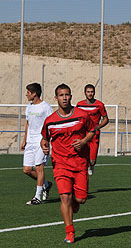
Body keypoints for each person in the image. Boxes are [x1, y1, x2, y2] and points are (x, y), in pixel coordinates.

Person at [41, 83, 97, 244]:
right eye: (61, 95)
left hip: (79, 164)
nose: (64, 98)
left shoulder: (82, 115)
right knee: (65, 197)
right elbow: (45, 139)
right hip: (60, 165)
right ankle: (70, 232)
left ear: (71, 96)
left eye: (67, 95)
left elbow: (93, 130)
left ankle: (75, 202)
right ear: (56, 98)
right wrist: (44, 145)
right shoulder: (50, 121)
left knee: (80, 200)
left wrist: (84, 141)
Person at [21, 83, 53, 205]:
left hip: (41, 141)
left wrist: (47, 140)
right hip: (30, 141)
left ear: (34, 94)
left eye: (28, 92)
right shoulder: (28, 107)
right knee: (27, 170)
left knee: (39, 167)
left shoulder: (46, 107)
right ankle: (46, 184)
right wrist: (25, 140)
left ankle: (37, 197)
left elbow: (51, 124)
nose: (26, 94)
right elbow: (28, 123)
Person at [75, 84, 109, 175]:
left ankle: (92, 165)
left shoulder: (99, 105)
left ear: (94, 93)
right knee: (82, 157)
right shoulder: (79, 104)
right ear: (85, 93)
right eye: (88, 92)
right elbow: (76, 117)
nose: (90, 94)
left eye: (92, 92)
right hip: (83, 134)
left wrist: (98, 127)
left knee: (92, 160)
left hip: (94, 134)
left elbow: (106, 119)